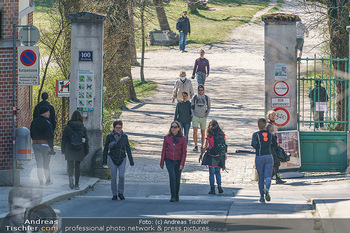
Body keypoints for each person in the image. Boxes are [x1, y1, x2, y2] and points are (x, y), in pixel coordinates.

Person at [103, 120, 134, 201]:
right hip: (112, 157)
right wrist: (104, 162)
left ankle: (121, 193)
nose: (118, 129)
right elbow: (105, 149)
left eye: (120, 127)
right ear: (114, 128)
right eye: (117, 128)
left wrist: (131, 160)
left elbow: (128, 148)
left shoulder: (124, 136)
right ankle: (114, 194)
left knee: (121, 176)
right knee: (113, 177)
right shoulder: (109, 136)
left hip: (122, 157)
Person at [61, 111, 89, 190]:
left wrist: (63, 149)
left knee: (70, 165)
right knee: (77, 166)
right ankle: (77, 184)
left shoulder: (67, 127)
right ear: (80, 117)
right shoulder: (83, 128)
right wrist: (86, 151)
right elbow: (86, 140)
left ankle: (70, 177)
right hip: (79, 149)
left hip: (69, 148)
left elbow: (64, 139)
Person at [251, 118, 277, 203]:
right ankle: (267, 188)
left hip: (259, 156)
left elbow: (253, 144)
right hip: (269, 156)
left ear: (258, 125)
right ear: (266, 125)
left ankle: (262, 197)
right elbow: (275, 145)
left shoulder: (256, 134)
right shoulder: (270, 134)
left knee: (261, 177)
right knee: (268, 176)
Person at [160, 121, 187, 202]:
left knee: (177, 178)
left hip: (178, 161)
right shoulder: (167, 137)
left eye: (175, 127)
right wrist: (162, 162)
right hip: (169, 160)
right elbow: (164, 150)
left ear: (179, 128)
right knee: (172, 177)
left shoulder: (183, 139)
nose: (173, 128)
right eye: (172, 127)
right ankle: (172, 196)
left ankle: (176, 195)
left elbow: (184, 152)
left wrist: (182, 163)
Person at [199, 120, 227, 195]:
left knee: (211, 173)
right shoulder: (222, 134)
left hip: (211, 155)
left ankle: (212, 189)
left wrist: (201, 154)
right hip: (220, 155)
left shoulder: (209, 135)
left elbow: (205, 146)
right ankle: (219, 186)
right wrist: (225, 155)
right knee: (218, 172)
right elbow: (224, 144)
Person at [30, 106, 55, 186]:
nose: (49, 113)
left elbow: (31, 133)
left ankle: (41, 181)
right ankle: (48, 180)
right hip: (45, 145)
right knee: (46, 164)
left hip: (35, 144)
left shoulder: (34, 122)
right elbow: (50, 136)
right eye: (48, 112)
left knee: (39, 164)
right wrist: (51, 147)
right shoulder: (47, 123)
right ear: (44, 113)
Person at [266, 110, 286, 184]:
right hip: (270, 147)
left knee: (274, 162)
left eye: (274, 115)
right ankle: (276, 178)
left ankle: (271, 177)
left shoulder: (271, 125)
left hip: (272, 147)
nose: (273, 117)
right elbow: (267, 135)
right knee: (276, 162)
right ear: (268, 116)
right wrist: (273, 133)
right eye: (272, 115)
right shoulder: (268, 125)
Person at [191, 84, 211, 152]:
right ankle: (196, 145)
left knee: (203, 132)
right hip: (195, 116)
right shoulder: (195, 97)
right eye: (199, 90)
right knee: (195, 131)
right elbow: (192, 106)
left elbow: (208, 107)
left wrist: (206, 115)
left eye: (201, 90)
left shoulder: (206, 98)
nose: (200, 91)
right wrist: (193, 114)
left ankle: (202, 146)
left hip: (203, 117)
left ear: (203, 90)